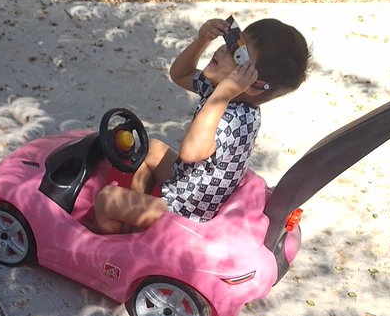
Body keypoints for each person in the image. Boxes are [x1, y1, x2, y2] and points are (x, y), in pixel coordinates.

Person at [94, 17, 311, 234]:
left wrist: (223, 93)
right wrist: (202, 41)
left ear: (253, 86)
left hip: (189, 212)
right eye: (232, 41)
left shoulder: (235, 119)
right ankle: (134, 224)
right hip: (186, 182)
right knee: (151, 149)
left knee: (106, 200)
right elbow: (180, 75)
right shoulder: (226, 92)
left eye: (237, 55)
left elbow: (189, 153)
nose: (223, 50)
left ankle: (112, 245)